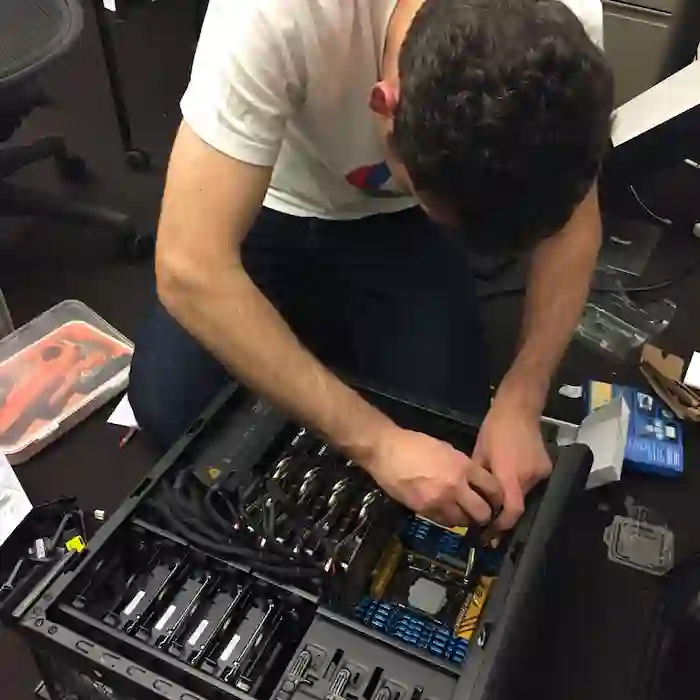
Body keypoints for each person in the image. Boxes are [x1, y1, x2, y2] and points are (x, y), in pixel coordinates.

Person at [130, 0, 614, 532]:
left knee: (452, 431)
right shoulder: (274, 13)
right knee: (171, 407)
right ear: (383, 104)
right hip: (265, 194)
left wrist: (524, 394)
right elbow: (189, 265)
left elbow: (572, 221)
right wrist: (377, 443)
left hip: (399, 223)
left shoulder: (562, 30)